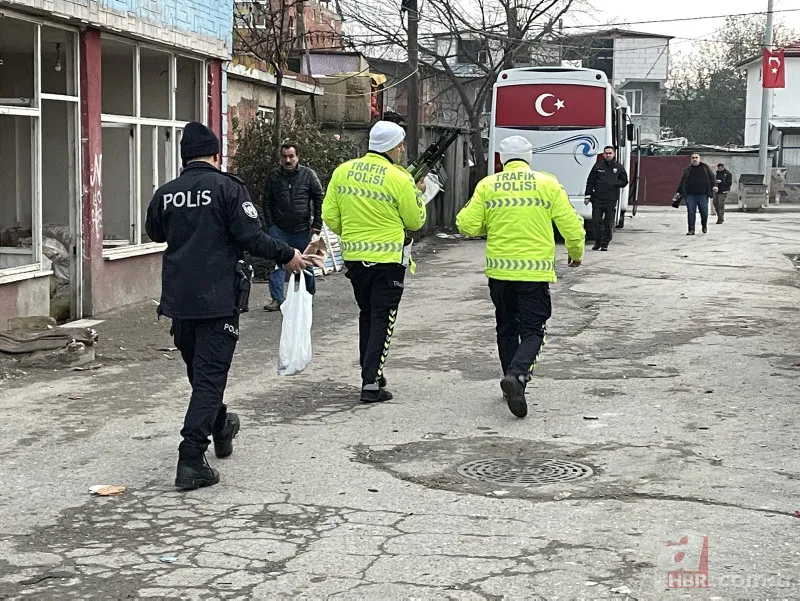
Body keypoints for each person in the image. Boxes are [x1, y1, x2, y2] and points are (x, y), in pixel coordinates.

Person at [145, 122, 307, 490]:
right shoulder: (227, 188)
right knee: (209, 379)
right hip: (217, 301)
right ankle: (190, 459)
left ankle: (220, 424)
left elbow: (154, 232)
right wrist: (287, 255)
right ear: (216, 155)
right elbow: (250, 236)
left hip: (179, 302)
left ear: (184, 156)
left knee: (200, 376)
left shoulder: (166, 193)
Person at [455, 136, 585, 419]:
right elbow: (571, 224)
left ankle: (509, 383)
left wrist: (489, 224)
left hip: (499, 272)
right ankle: (517, 375)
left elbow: (467, 224)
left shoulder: (488, 185)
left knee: (505, 327)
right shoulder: (547, 184)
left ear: (501, 158)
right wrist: (576, 253)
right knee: (533, 330)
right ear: (529, 158)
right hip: (533, 271)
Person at [321, 121, 426, 403]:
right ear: (390, 147)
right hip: (388, 261)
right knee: (383, 319)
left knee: (367, 315)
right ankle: (370, 384)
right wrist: (418, 192)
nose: (403, 150)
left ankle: (373, 373)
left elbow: (330, 215)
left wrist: (352, 233)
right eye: (400, 145)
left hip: (355, 260)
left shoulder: (343, 172)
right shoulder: (400, 178)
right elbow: (415, 221)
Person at [261, 143, 324, 311]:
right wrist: (270, 225)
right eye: (284, 156)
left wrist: (317, 223)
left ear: (298, 157)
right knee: (278, 263)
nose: (288, 160)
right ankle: (277, 298)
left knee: (305, 262)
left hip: (303, 228)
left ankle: (308, 295)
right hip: (279, 229)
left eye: (291, 156)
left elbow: (319, 198)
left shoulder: (308, 175)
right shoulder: (274, 176)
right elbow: (266, 201)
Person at [584, 145, 629, 251]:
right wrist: (587, 195)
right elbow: (590, 181)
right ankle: (597, 242)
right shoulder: (597, 166)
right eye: (606, 153)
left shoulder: (619, 167)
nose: (608, 155)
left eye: (610, 153)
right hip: (597, 199)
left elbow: (625, 181)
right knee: (596, 221)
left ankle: (605, 243)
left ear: (613, 154)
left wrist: (616, 184)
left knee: (608, 222)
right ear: (603, 154)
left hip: (611, 199)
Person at [672, 153, 717, 235]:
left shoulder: (705, 168)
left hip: (703, 195)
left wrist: (714, 186)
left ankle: (704, 225)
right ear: (691, 159)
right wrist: (678, 192)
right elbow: (683, 182)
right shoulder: (688, 169)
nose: (694, 159)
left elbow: (712, 178)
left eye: (696, 158)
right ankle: (691, 229)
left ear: (699, 159)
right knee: (691, 212)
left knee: (704, 212)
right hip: (690, 195)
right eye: (693, 158)